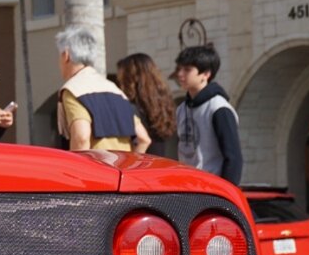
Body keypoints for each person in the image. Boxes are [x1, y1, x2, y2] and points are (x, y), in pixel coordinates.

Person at [55, 26, 150, 154]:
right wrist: (131, 166)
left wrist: (79, 172)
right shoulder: (115, 90)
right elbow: (144, 139)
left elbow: (81, 138)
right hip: (120, 170)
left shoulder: (74, 89)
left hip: (94, 170)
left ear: (66, 55)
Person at [173, 45, 243, 185]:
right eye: (179, 69)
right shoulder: (182, 108)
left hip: (211, 188)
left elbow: (233, 158)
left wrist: (225, 194)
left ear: (206, 74)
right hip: (187, 186)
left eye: (187, 70)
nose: (180, 74)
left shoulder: (219, 108)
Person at [116, 53, 176, 150]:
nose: (119, 79)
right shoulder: (165, 103)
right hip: (164, 160)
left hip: (144, 161)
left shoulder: (131, 108)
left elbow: (143, 140)